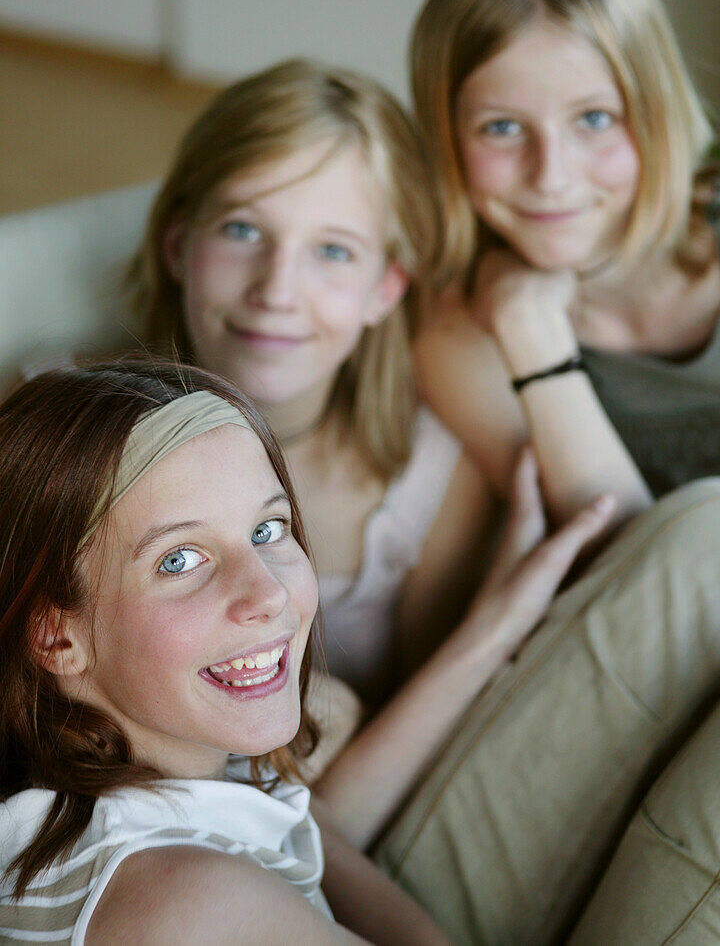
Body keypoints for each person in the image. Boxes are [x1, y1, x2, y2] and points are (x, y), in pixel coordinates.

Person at [127, 58, 615, 848]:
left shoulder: (426, 475)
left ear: (387, 288)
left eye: (334, 252)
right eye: (243, 230)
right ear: (180, 243)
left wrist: (493, 625)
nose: (276, 290)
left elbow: (383, 798)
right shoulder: (67, 422)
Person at [0, 359, 456, 944]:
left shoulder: (59, 825)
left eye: (267, 530)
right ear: (57, 637)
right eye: (180, 560)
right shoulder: (196, 905)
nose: (267, 592)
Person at [411, 0, 720, 517]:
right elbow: (622, 559)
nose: (551, 175)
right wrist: (532, 335)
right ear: (448, 139)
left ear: (656, 112)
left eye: (594, 119)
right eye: (501, 128)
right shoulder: (460, 337)